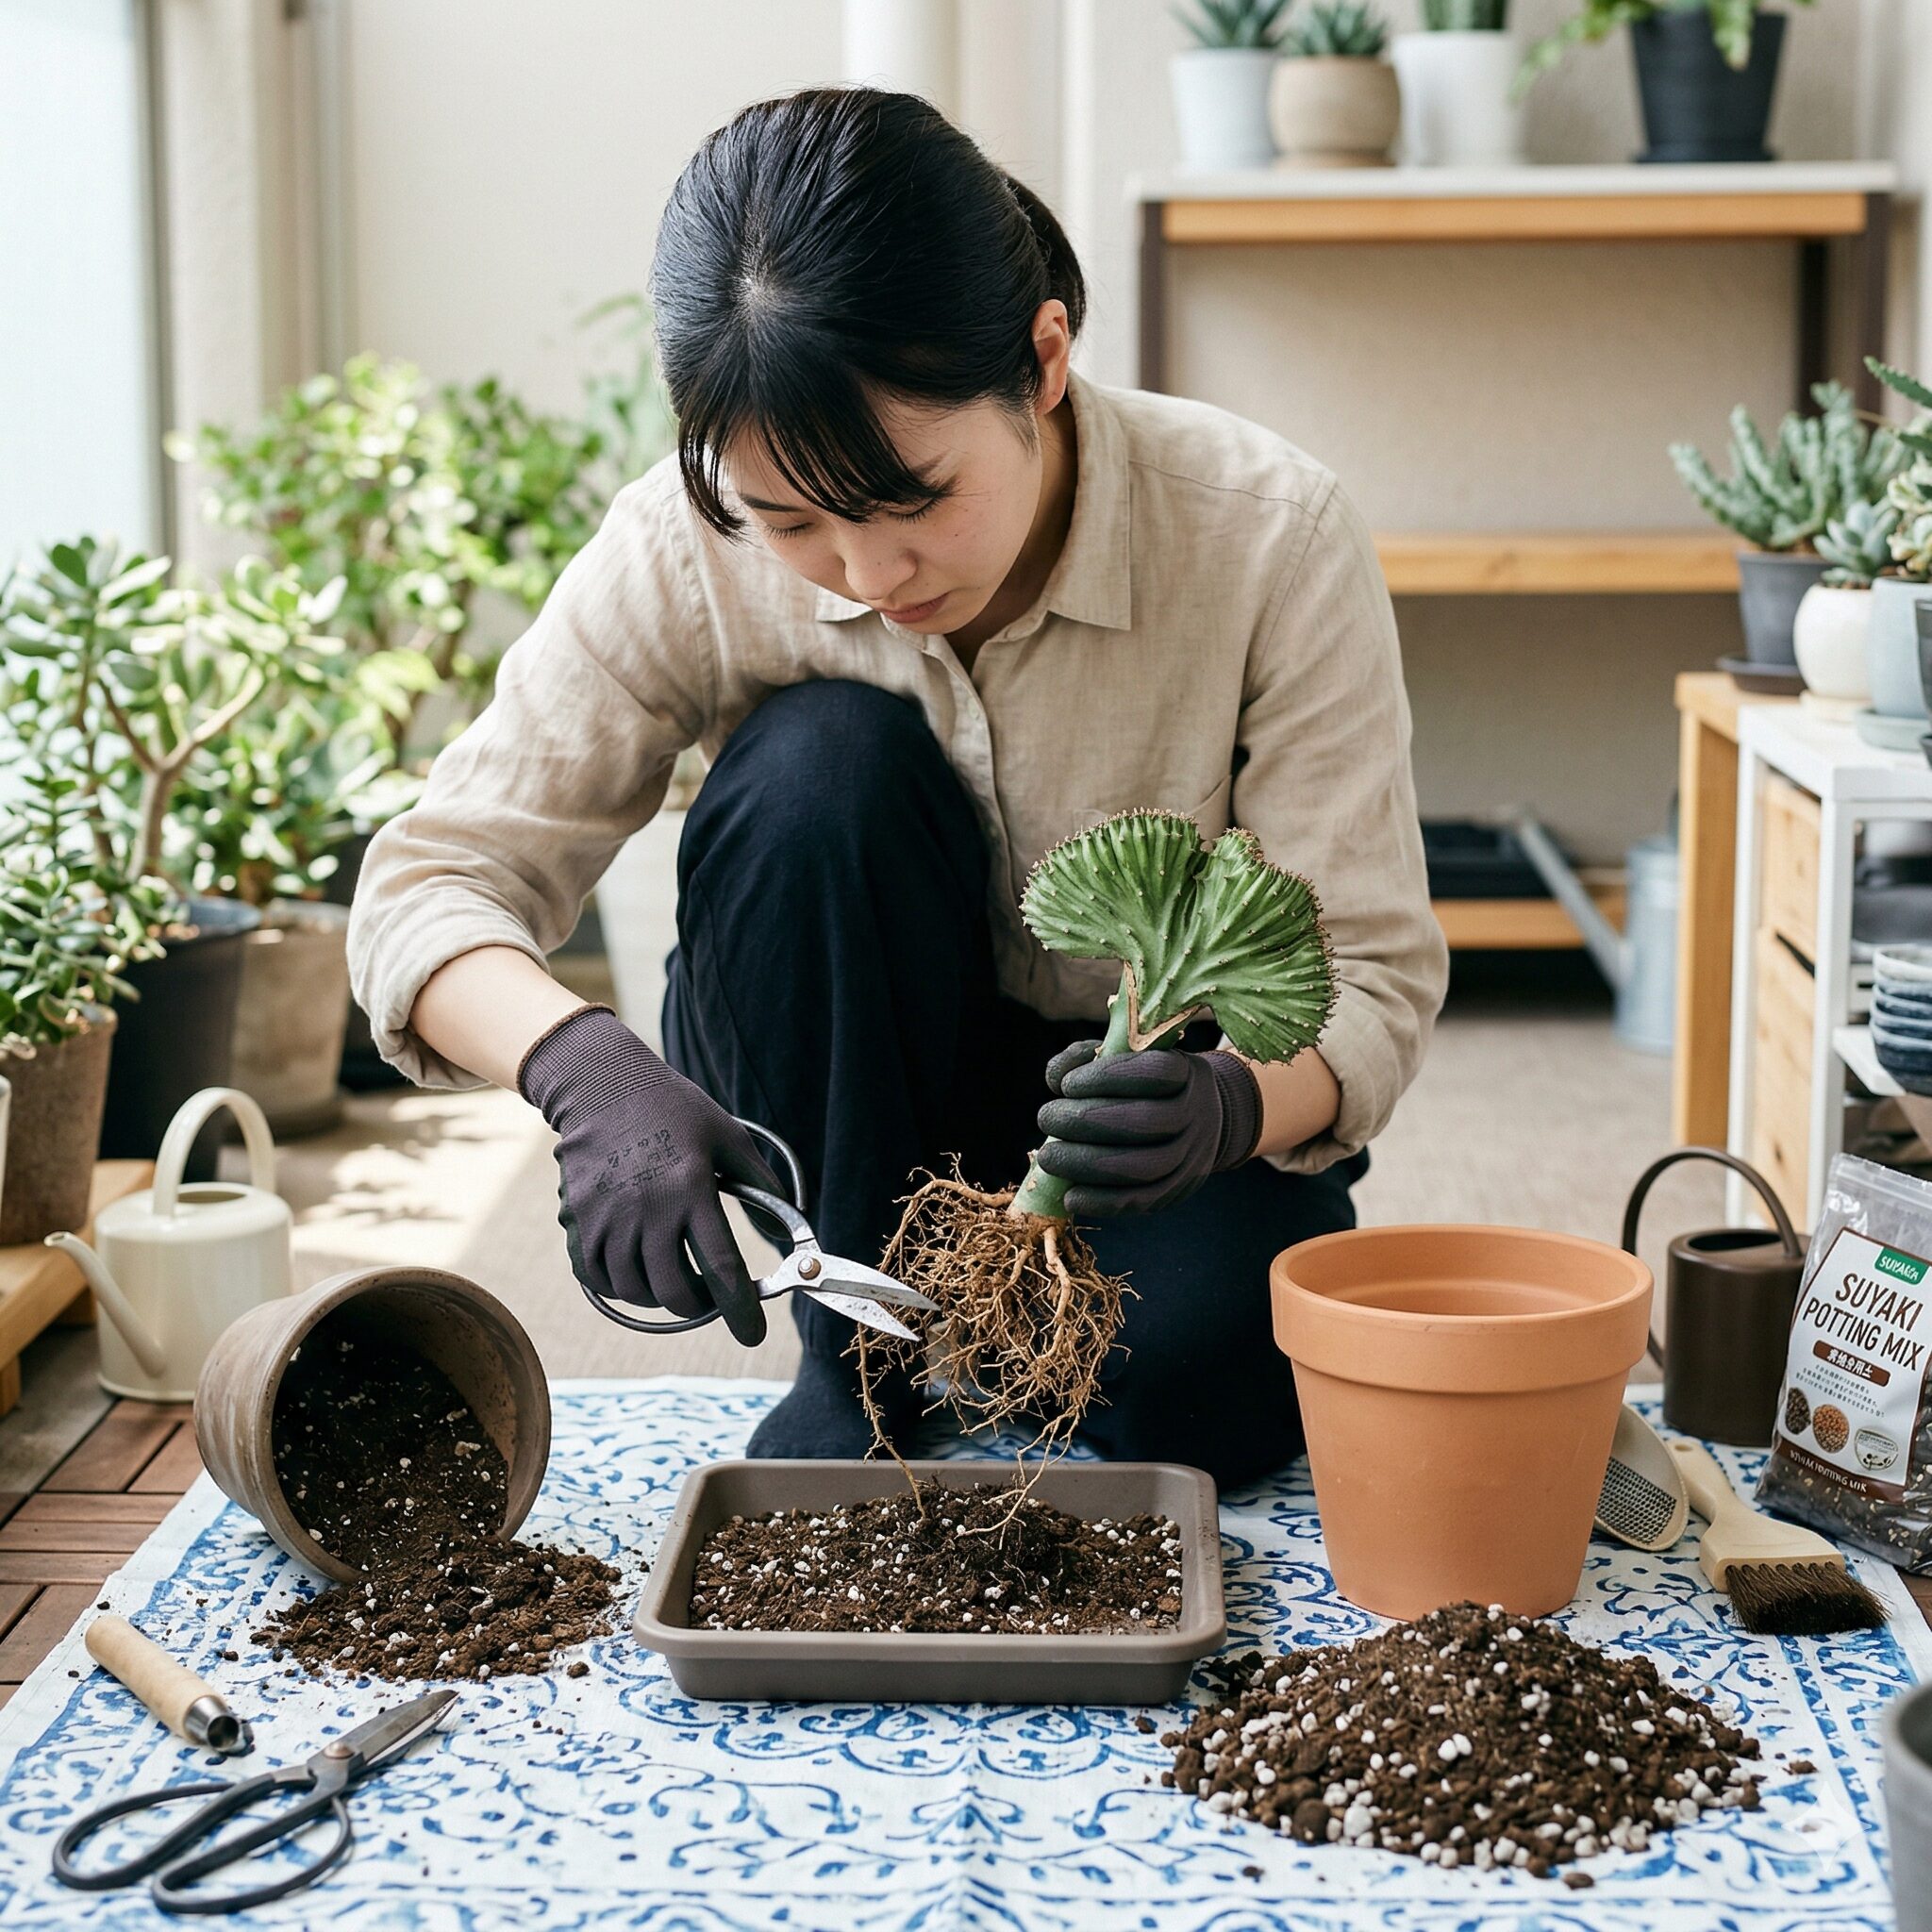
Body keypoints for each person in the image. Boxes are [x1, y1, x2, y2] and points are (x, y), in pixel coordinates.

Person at [347, 88, 1446, 1487]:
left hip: (1141, 1113)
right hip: (845, 1069)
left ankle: (1001, 1325)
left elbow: (1370, 969)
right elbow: (428, 884)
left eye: (916, 497)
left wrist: (1232, 1103)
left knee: (1205, 1420)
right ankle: (853, 1354)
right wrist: (581, 1073)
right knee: (819, 768)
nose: (869, 579)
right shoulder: (687, 541)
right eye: (794, 521)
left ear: (1043, 359)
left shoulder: (1268, 534)